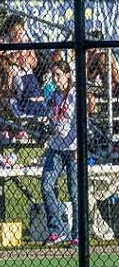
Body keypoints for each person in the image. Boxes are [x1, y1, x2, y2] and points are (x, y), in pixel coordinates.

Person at [41, 61, 80, 247]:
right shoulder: (52, 96)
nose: (55, 79)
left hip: (72, 148)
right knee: (47, 185)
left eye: (58, 75)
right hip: (56, 147)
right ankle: (56, 230)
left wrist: (79, 147)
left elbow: (80, 122)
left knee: (75, 191)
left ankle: (77, 234)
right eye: (53, 75)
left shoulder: (74, 96)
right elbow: (50, 119)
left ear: (67, 75)